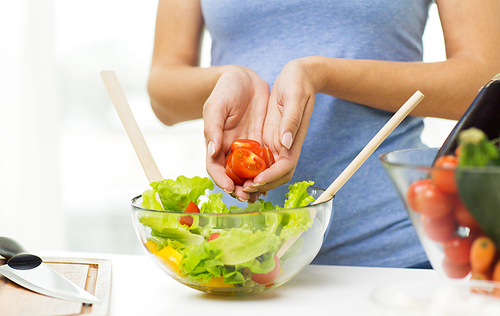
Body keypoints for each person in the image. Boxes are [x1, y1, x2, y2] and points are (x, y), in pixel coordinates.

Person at [147, 0, 500, 268]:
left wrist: (324, 75)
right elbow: (163, 91)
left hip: (396, 256)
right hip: (239, 254)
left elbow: (484, 76)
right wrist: (223, 79)